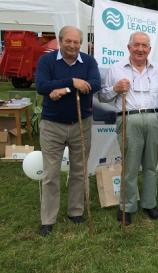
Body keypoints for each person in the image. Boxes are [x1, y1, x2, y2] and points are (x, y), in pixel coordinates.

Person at [35, 26, 101, 236]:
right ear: (60, 41)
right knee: (51, 173)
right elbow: (41, 86)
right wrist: (71, 82)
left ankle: (75, 211)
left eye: (76, 42)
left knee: (79, 170)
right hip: (53, 125)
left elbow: (95, 84)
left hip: (81, 123)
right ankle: (48, 219)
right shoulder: (47, 61)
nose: (72, 46)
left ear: (81, 44)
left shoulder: (88, 62)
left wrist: (63, 90)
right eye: (68, 41)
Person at [99, 32, 158, 226]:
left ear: (149, 49)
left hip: (154, 118)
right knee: (129, 167)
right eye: (136, 45)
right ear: (129, 47)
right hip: (129, 119)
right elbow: (103, 96)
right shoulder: (116, 69)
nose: (140, 49)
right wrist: (115, 89)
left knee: (151, 165)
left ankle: (149, 204)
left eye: (144, 46)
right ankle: (127, 207)